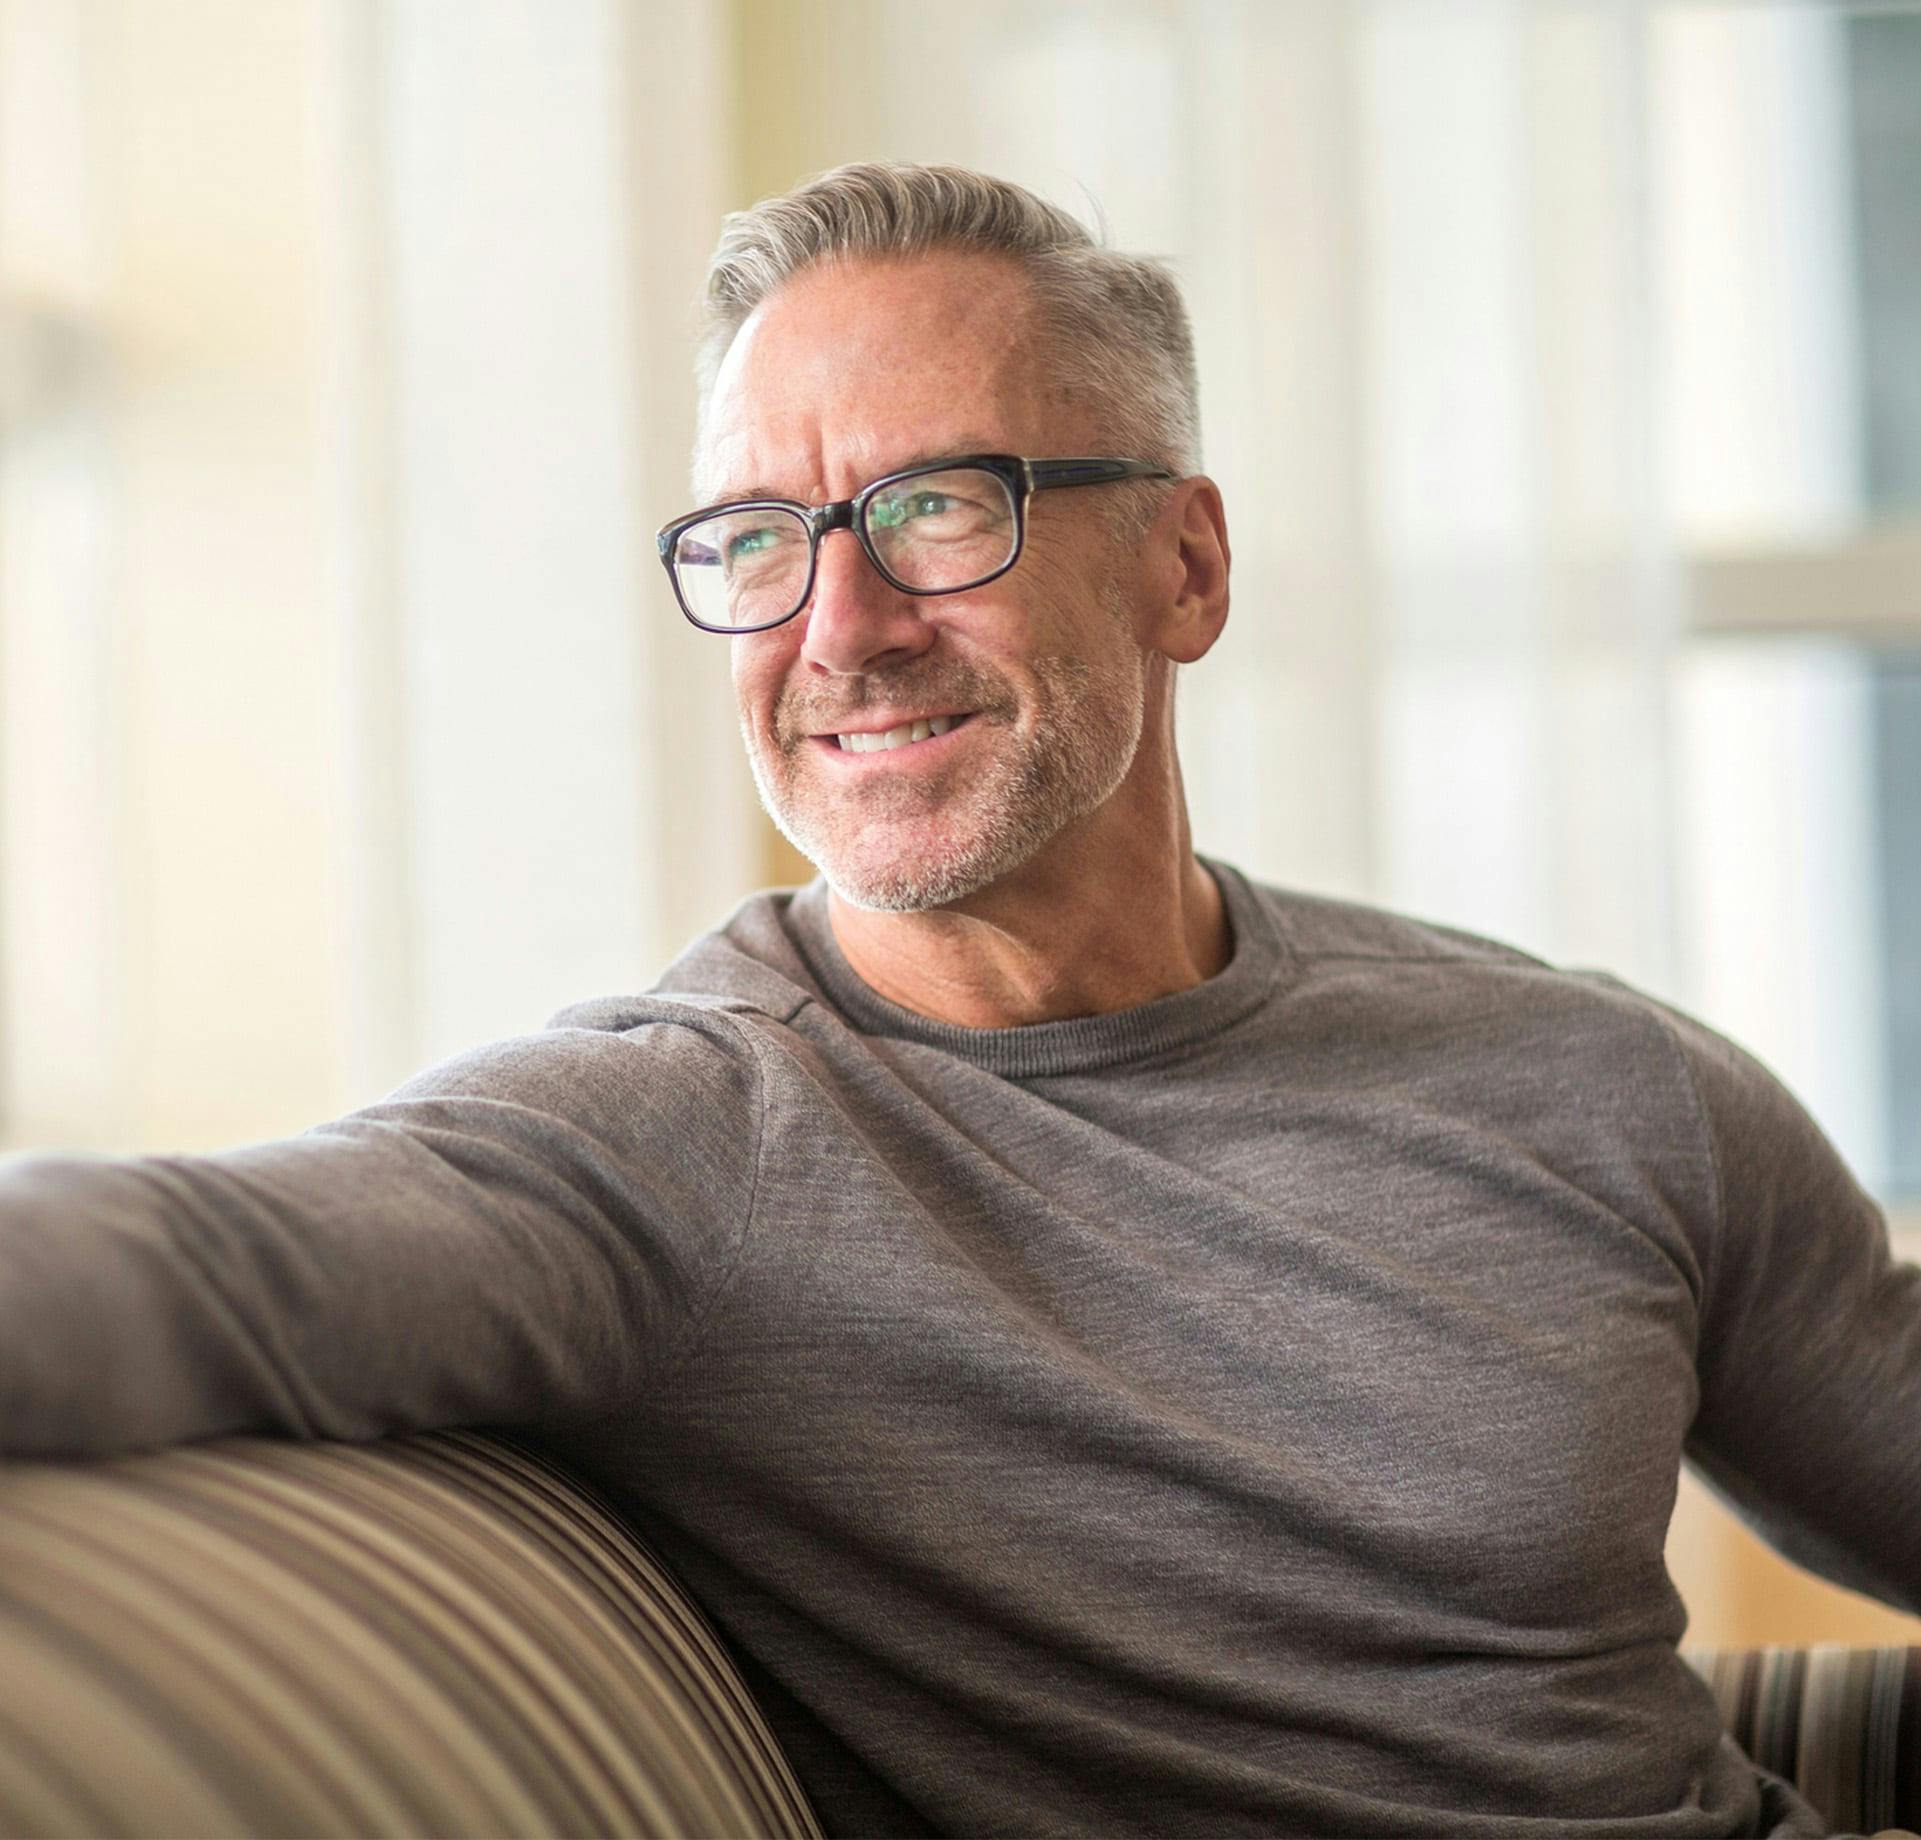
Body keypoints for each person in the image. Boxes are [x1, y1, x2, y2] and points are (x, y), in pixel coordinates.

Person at [0, 161, 1914, 1839]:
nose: (837, 633)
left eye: (935, 507)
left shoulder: (1594, 1080)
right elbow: (184, 1261)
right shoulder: (670, 1149)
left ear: (1182, 562)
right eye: (756, 538)